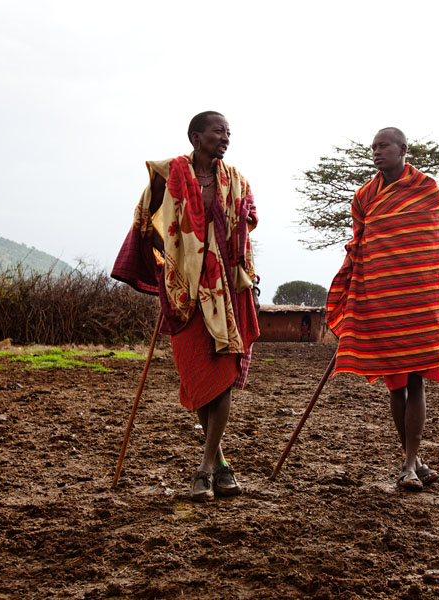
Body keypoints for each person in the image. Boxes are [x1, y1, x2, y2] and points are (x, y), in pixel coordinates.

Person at [112, 111, 260, 502]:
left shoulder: (238, 181)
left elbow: (247, 225)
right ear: (196, 136)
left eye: (229, 132)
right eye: (218, 131)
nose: (225, 137)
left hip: (227, 288)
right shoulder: (169, 175)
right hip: (183, 293)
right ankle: (221, 465)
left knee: (223, 374)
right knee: (197, 377)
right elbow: (147, 223)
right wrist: (170, 264)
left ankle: (205, 469)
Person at [326, 127, 439, 492]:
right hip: (382, 301)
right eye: (373, 147)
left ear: (403, 149)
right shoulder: (363, 197)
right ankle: (413, 460)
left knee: (415, 381)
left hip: (419, 301)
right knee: (394, 386)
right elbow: (361, 244)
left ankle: (409, 464)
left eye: (384, 145)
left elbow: (433, 245)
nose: (376, 152)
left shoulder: (427, 189)